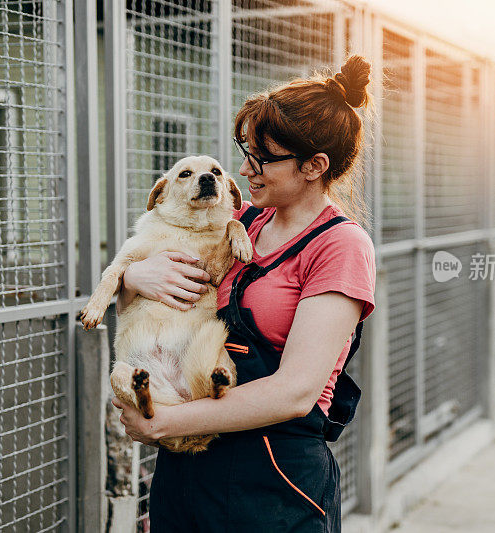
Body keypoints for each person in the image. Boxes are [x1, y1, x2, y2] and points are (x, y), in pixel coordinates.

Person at [112, 55, 377, 532]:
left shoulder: (341, 246)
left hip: (272, 476)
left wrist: (164, 424)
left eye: (262, 158)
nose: (244, 168)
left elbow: (296, 392)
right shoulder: (242, 224)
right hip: (191, 463)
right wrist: (134, 278)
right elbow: (156, 306)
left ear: (314, 166)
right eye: (245, 149)